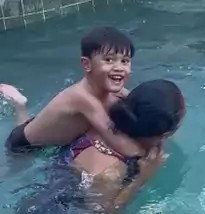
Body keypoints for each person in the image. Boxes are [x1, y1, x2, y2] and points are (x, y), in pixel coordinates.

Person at [13, 79, 186, 214]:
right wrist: (141, 179)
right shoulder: (110, 173)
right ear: (165, 134)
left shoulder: (104, 121)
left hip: (41, 190)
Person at [2, 26, 141, 158]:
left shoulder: (115, 92)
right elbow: (116, 140)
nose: (119, 67)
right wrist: (146, 153)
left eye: (125, 61)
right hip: (25, 145)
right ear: (87, 64)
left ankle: (20, 104)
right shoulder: (82, 98)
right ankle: (19, 105)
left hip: (51, 131)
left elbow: (140, 101)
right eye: (109, 60)